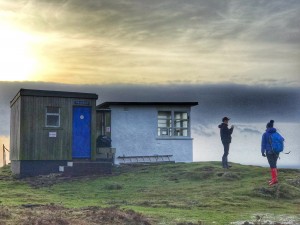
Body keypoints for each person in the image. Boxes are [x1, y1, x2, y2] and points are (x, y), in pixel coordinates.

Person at [261, 120, 281, 186]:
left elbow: (263, 144)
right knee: (274, 164)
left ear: (267, 127)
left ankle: (274, 180)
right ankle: (274, 179)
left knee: (272, 166)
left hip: (269, 151)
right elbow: (282, 140)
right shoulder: (276, 133)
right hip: (276, 151)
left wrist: (262, 151)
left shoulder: (265, 134)